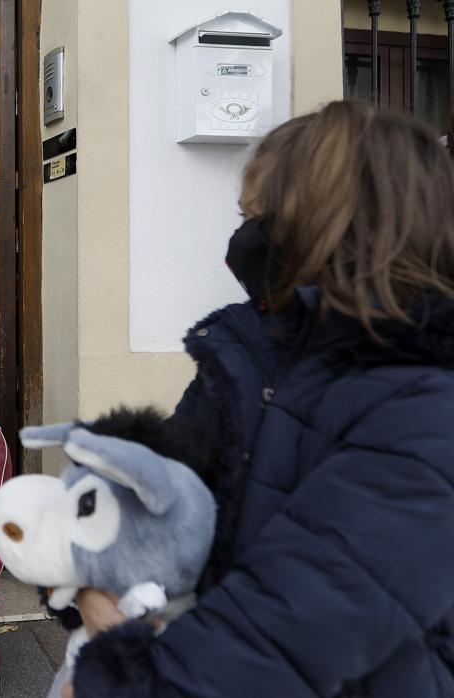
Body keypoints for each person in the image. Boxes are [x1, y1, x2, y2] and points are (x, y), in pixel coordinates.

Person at [62, 101, 454, 696]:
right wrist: (83, 564)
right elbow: (162, 499)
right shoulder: (248, 352)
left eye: (258, 218)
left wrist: (124, 681)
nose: (240, 240)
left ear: (329, 226)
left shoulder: (426, 405)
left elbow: (297, 618)